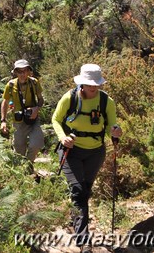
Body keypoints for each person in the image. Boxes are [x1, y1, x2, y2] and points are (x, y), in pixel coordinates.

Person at [52, 63, 123, 252]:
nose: (93, 87)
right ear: (82, 83)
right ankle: (84, 242)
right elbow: (56, 120)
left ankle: (75, 219)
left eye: (96, 84)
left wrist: (115, 132)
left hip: (95, 152)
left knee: (86, 189)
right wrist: (62, 137)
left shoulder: (107, 102)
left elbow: (110, 126)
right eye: (89, 84)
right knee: (78, 190)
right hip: (71, 151)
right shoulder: (70, 98)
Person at [0, 59, 45, 162]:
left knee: (36, 143)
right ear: (15, 72)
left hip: (33, 119)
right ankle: (23, 170)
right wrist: (3, 121)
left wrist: (36, 108)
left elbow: (41, 99)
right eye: (19, 71)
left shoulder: (34, 82)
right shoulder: (11, 85)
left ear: (29, 71)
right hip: (18, 121)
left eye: (25, 70)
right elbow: (5, 102)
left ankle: (29, 165)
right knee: (19, 151)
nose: (23, 74)